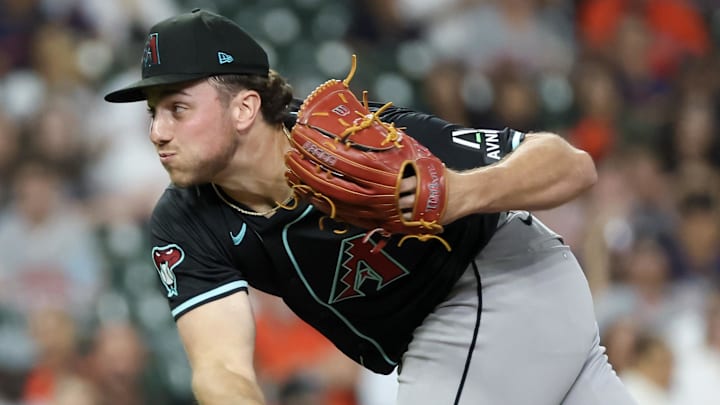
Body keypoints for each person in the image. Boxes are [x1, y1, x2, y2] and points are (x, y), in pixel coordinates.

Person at [103, 8, 638, 405]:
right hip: (455, 337)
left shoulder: (356, 138)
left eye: (177, 109)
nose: (156, 132)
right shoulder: (184, 220)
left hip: (496, 276)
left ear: (244, 107)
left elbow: (572, 165)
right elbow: (221, 367)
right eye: (154, 113)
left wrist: (458, 193)